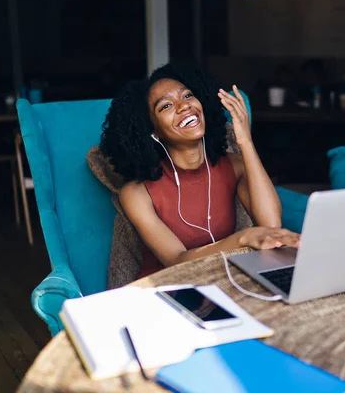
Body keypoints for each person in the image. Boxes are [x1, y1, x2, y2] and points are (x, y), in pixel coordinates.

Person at [99, 63, 300, 280]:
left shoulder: (234, 165)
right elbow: (176, 260)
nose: (184, 106)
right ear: (152, 130)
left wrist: (246, 142)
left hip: (225, 281)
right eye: (165, 106)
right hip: (168, 291)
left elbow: (271, 225)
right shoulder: (138, 193)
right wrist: (243, 238)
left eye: (187, 96)